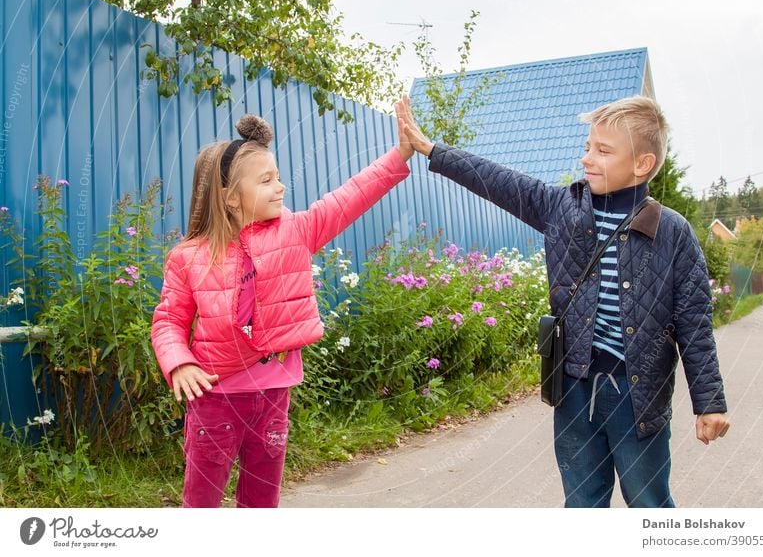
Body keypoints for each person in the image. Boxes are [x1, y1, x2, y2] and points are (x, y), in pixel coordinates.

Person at [396, 94, 730, 508]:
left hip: (638, 397)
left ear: (641, 164)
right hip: (574, 388)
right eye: (588, 146)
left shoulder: (673, 233)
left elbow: (694, 323)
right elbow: (498, 180)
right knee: (581, 503)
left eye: (603, 151)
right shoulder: (563, 208)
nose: (588, 158)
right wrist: (432, 150)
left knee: (649, 503)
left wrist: (709, 402)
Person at [151, 104, 414, 507]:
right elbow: (169, 319)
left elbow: (349, 197)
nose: (280, 187)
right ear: (230, 197)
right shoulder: (189, 256)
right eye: (266, 180)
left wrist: (399, 156)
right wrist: (179, 361)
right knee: (201, 501)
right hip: (215, 397)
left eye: (278, 177)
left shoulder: (296, 230)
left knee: (262, 501)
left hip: (272, 394)